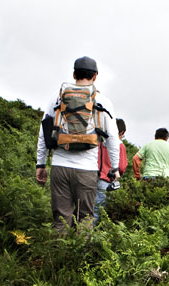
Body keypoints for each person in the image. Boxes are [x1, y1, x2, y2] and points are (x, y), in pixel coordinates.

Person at [36, 56, 120, 233]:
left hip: (59, 166)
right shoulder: (103, 100)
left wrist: (40, 164)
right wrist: (115, 168)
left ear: (74, 74)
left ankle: (59, 251)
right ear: (95, 76)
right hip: (87, 169)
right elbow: (112, 137)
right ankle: (81, 252)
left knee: (60, 220)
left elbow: (44, 132)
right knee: (85, 219)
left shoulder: (58, 97)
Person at [96, 117, 127, 222]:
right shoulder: (119, 145)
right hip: (107, 181)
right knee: (102, 212)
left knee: (89, 210)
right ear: (121, 132)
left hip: (92, 178)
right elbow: (121, 167)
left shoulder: (99, 142)